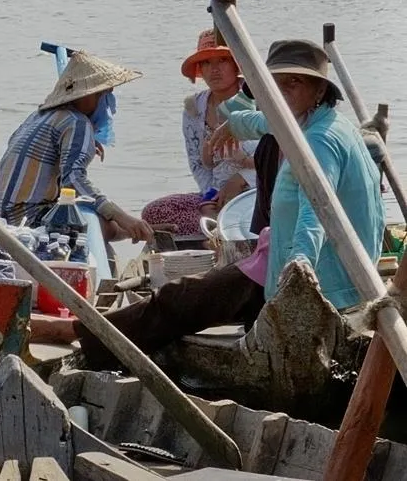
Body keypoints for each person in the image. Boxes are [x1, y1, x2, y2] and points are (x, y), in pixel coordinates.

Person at [30, 40, 385, 370]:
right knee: (185, 299)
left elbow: (315, 214)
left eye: (294, 83)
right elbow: (264, 120)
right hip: (284, 261)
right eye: (275, 83)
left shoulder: (320, 142)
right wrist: (236, 124)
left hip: (315, 280)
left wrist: (300, 270)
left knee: (178, 299)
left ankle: (76, 334)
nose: (281, 91)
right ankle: (91, 333)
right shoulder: (311, 121)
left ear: (319, 90)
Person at [0, 50, 155, 244]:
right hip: (28, 222)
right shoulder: (77, 123)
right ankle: (131, 230)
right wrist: (120, 216)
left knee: (99, 215)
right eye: (105, 94)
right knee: (102, 222)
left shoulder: (38, 117)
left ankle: (136, 230)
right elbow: (73, 180)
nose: (108, 101)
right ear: (89, 95)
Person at [140, 30, 257, 237]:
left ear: (236, 65)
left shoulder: (257, 100)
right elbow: (197, 164)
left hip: (257, 192)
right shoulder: (193, 108)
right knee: (154, 212)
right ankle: (216, 230)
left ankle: (223, 232)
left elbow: (281, 159)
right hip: (216, 195)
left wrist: (241, 179)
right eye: (206, 63)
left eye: (222, 61)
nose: (214, 70)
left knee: (255, 215)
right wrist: (212, 196)